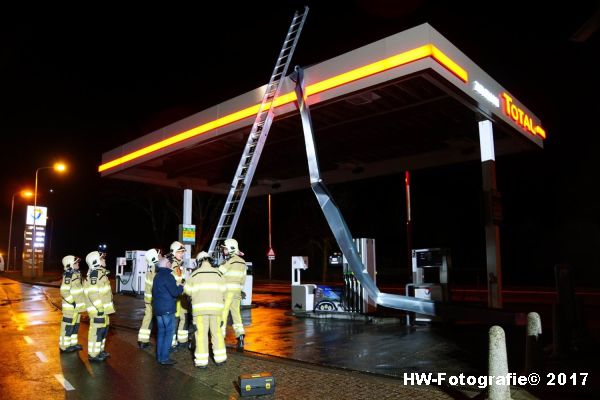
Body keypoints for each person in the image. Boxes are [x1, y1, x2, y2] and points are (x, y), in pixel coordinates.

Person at [184, 251, 227, 368]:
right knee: (217, 333)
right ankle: (220, 358)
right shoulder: (218, 274)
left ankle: (202, 362)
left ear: (198, 262)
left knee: (201, 335)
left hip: (200, 311)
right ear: (209, 260)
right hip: (216, 310)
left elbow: (187, 290)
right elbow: (224, 290)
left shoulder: (194, 274)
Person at [83, 251, 115, 362]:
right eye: (102, 259)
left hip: (103, 310)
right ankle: (93, 354)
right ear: (96, 262)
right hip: (98, 310)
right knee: (96, 332)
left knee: (103, 331)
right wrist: (100, 308)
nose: (104, 260)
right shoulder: (95, 275)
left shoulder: (100, 274)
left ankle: (99, 351)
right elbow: (93, 294)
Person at [152, 256, 184, 365]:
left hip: (158, 309)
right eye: (170, 262)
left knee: (161, 332)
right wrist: (181, 286)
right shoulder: (168, 276)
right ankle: (164, 358)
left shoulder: (157, 276)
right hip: (167, 309)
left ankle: (159, 356)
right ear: (166, 264)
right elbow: (175, 292)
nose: (171, 264)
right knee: (169, 333)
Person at [219, 238, 247, 350]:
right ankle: (240, 336)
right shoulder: (243, 262)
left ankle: (220, 338)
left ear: (231, 249)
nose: (223, 251)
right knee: (236, 315)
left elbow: (219, 273)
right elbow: (243, 279)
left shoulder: (229, 261)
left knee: (223, 314)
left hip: (226, 292)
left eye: (225, 249)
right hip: (237, 292)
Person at [59, 255, 86, 352]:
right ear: (70, 265)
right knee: (68, 327)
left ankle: (72, 343)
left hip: (76, 308)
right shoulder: (68, 275)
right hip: (70, 308)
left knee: (75, 326)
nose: (78, 264)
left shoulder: (76, 274)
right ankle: (64, 346)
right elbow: (64, 291)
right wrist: (72, 302)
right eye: (76, 263)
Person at [167, 241, 190, 349]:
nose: (182, 254)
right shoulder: (174, 265)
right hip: (176, 297)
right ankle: (174, 342)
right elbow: (177, 282)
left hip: (180, 297)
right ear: (174, 252)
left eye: (182, 252)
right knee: (176, 320)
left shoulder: (177, 264)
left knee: (182, 318)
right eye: (180, 252)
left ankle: (181, 341)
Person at [137, 248, 160, 348]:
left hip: (148, 299)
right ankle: (144, 340)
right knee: (153, 319)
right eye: (158, 255)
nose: (160, 256)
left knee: (147, 319)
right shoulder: (157, 270)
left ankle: (142, 340)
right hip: (154, 300)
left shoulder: (150, 269)